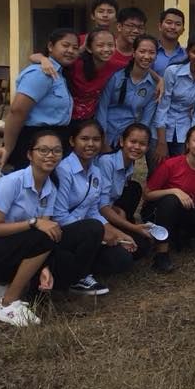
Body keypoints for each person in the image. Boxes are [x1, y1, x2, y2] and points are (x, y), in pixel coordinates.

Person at [0, 130, 103, 326]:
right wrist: (33, 222)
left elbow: (46, 232)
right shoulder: (11, 182)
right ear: (29, 155)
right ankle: (8, 304)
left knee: (62, 243)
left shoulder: (50, 188)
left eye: (56, 151)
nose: (50, 155)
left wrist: (44, 266)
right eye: (43, 150)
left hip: (15, 243)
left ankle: (6, 283)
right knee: (42, 234)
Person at [52, 120, 133, 293]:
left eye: (96, 139)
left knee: (124, 257)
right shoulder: (63, 170)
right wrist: (100, 232)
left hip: (87, 231)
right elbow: (59, 216)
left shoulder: (95, 171)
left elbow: (93, 210)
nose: (90, 144)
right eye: (84, 139)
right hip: (61, 233)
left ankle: (80, 263)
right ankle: (78, 277)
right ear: (72, 141)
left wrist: (119, 233)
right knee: (94, 228)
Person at [142, 125, 195, 273]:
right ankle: (161, 254)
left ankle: (179, 233)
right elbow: (147, 194)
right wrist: (175, 191)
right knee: (171, 200)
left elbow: (194, 191)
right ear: (187, 144)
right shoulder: (171, 164)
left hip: (185, 208)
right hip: (158, 210)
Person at [0, 28, 78, 170]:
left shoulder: (60, 74)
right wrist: (7, 148)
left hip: (55, 141)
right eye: (65, 45)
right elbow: (17, 111)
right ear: (50, 46)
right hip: (35, 142)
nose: (71, 51)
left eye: (75, 48)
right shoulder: (41, 73)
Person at [32, 27, 122, 124]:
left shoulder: (115, 66)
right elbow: (33, 56)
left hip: (89, 120)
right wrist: (43, 59)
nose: (106, 49)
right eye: (100, 45)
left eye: (110, 45)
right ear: (89, 48)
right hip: (63, 119)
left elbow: (131, 64)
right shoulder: (75, 63)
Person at [152, 33, 195, 165]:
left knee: (181, 168)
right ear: (188, 52)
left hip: (185, 130)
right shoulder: (173, 72)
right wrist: (162, 141)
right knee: (158, 169)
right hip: (160, 129)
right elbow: (162, 106)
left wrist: (191, 141)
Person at [95, 123, 155, 249]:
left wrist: (118, 210)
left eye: (142, 144)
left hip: (109, 208)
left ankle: (123, 228)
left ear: (147, 148)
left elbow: (112, 198)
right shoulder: (106, 162)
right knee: (139, 246)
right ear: (122, 141)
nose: (137, 147)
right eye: (132, 141)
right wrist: (133, 227)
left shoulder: (129, 163)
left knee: (134, 188)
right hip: (95, 215)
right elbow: (101, 206)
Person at [96, 35, 158, 150]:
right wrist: (102, 139)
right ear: (134, 53)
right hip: (105, 133)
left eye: (152, 53)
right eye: (142, 51)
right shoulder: (116, 77)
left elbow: (145, 121)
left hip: (128, 141)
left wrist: (135, 142)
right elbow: (102, 107)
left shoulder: (153, 87)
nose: (146, 56)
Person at [153, 8, 186, 75]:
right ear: (160, 26)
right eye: (169, 23)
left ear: (183, 30)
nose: (173, 27)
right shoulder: (149, 52)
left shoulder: (187, 55)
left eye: (178, 24)